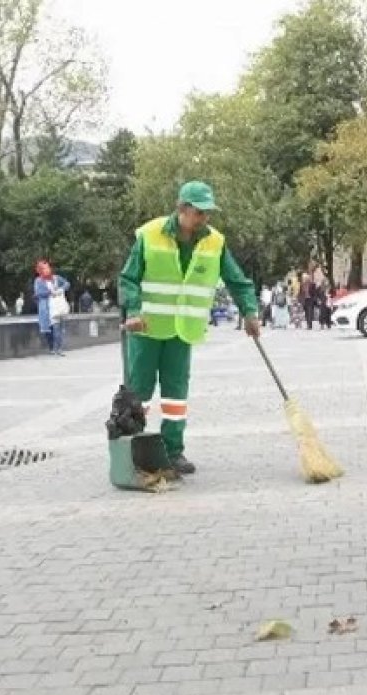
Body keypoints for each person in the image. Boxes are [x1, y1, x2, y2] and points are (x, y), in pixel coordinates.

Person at [118, 180, 260, 476]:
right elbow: (129, 278)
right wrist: (133, 310)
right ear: (181, 208)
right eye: (199, 212)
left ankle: (173, 452)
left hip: (182, 331)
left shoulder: (214, 241)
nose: (204, 218)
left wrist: (250, 311)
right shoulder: (150, 234)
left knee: (175, 396)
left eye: (207, 213)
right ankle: (132, 450)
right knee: (139, 393)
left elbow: (236, 279)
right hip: (146, 329)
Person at [33, 260, 70, 355]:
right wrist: (50, 292)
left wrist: (61, 289)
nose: (47, 270)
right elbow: (38, 293)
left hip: (57, 307)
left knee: (58, 328)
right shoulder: (38, 281)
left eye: (48, 267)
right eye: (44, 268)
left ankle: (58, 348)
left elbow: (67, 284)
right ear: (40, 270)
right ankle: (52, 347)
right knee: (48, 330)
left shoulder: (56, 278)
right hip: (46, 308)